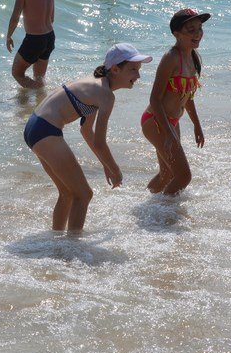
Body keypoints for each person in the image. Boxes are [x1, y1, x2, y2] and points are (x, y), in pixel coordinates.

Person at [23, 43, 151, 232]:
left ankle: (56, 241)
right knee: (83, 195)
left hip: (35, 127)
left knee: (67, 193)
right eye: (133, 69)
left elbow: (86, 130)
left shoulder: (97, 84)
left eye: (138, 70)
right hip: (45, 130)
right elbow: (99, 142)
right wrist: (115, 170)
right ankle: (73, 245)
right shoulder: (105, 95)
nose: (138, 75)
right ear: (115, 69)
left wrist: (105, 163)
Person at [142, 9, 209, 195]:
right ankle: (164, 210)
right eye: (191, 30)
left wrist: (197, 125)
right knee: (183, 177)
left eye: (200, 28)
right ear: (176, 34)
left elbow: (187, 96)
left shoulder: (192, 57)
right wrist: (169, 133)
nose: (197, 34)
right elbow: (155, 99)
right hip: (156, 121)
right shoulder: (171, 58)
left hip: (171, 122)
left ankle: (148, 206)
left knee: (167, 175)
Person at [6, 0, 55, 88]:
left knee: (17, 73)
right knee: (39, 77)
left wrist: (8, 36)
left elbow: (15, 16)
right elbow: (52, 18)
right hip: (49, 37)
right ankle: (41, 97)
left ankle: (38, 92)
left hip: (35, 39)